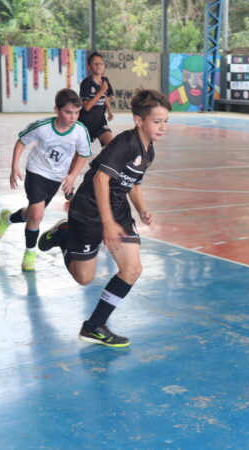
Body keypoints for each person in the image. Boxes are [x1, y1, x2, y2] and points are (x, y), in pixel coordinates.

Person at [38, 89, 171, 348]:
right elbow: (100, 179)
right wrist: (107, 223)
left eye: (166, 121)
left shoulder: (148, 151)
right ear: (138, 120)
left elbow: (133, 183)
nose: (162, 127)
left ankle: (94, 326)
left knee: (132, 269)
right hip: (88, 210)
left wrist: (142, 210)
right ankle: (64, 235)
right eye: (157, 121)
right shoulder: (123, 143)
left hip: (117, 209)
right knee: (83, 278)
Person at [0, 88, 91, 271]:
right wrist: (14, 167)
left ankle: (7, 219)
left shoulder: (79, 131)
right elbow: (21, 142)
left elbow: (84, 154)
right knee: (37, 215)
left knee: (31, 214)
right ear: (57, 110)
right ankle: (29, 254)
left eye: (76, 112)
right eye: (68, 112)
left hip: (56, 178)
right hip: (36, 171)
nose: (73, 117)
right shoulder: (42, 127)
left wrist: (72, 175)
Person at [79, 52, 115, 147]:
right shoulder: (86, 83)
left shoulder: (105, 81)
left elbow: (105, 97)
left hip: (100, 121)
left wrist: (110, 111)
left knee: (112, 146)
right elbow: (86, 107)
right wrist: (101, 91)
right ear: (89, 66)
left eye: (101, 63)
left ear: (104, 66)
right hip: (86, 122)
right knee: (80, 155)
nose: (98, 65)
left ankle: (99, 162)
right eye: (95, 63)